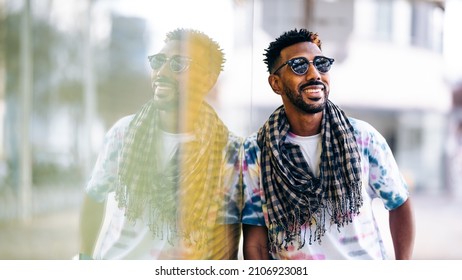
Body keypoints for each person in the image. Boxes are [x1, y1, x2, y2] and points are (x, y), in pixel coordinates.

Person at [241, 28, 415, 260]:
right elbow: (255, 238)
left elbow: (399, 203)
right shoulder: (256, 150)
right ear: (276, 83)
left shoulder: (363, 137)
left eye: (321, 64)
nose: (314, 74)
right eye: (299, 66)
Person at [79, 28, 242, 260]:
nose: (162, 72)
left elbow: (227, 235)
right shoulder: (123, 133)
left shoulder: (230, 151)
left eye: (178, 64)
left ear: (207, 81)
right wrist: (84, 257)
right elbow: (94, 194)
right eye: (158, 61)